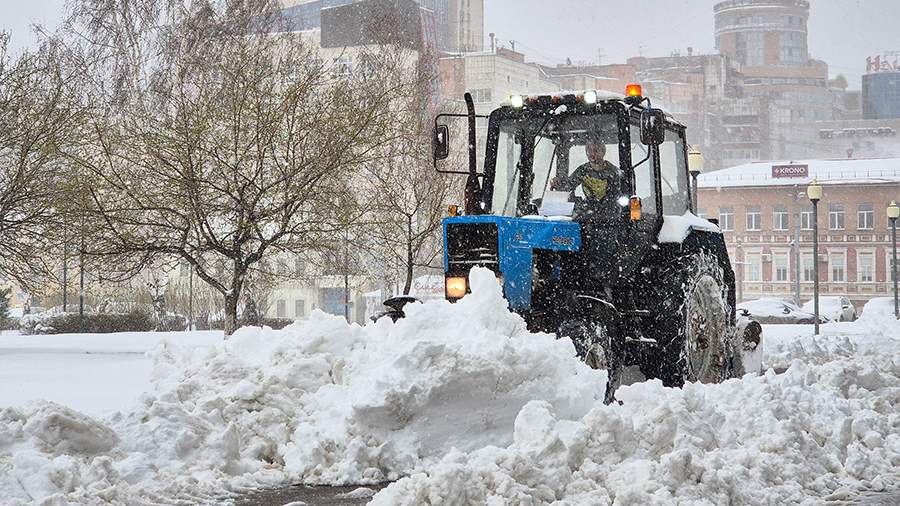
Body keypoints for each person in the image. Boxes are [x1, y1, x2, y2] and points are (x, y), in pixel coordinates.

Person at [552, 142, 621, 206]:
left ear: (603, 152)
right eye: (589, 151)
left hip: (610, 211)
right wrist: (558, 183)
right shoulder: (583, 170)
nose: (592, 154)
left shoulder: (614, 172)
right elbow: (569, 185)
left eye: (596, 150)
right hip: (589, 208)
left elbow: (618, 194)